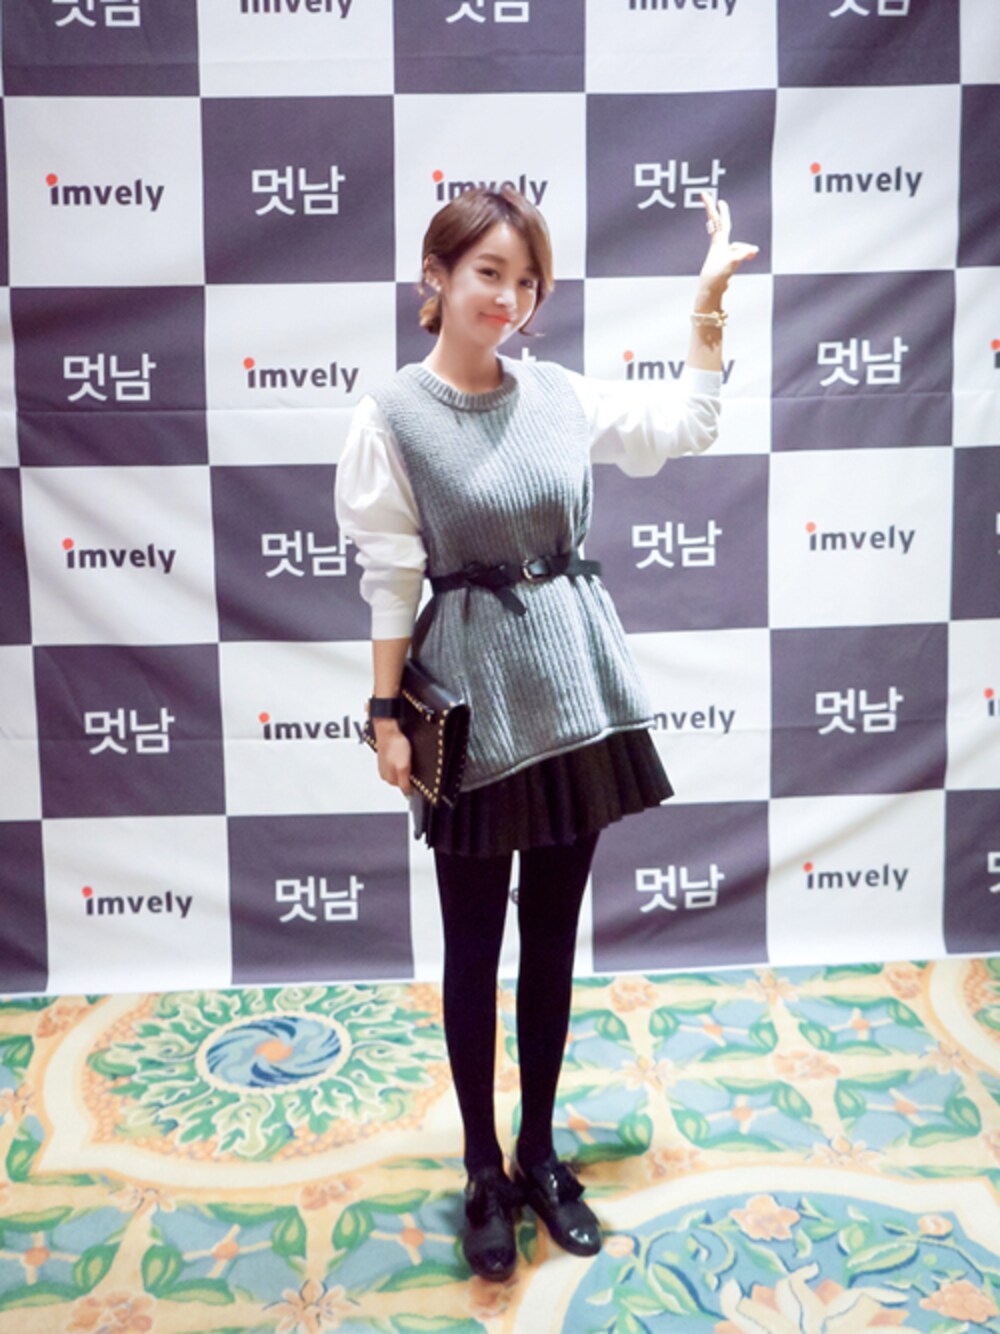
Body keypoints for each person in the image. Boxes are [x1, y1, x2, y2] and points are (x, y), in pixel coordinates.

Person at [335, 186, 757, 1282]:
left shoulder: (560, 393)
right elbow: (390, 580)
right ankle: (482, 1168)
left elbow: (688, 426)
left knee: (554, 940)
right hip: (474, 708)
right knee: (473, 947)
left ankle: (538, 1152)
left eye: (526, 282)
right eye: (488, 273)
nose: (508, 299)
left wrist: (707, 306)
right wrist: (384, 715)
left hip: (575, 699)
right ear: (435, 277)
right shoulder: (391, 415)